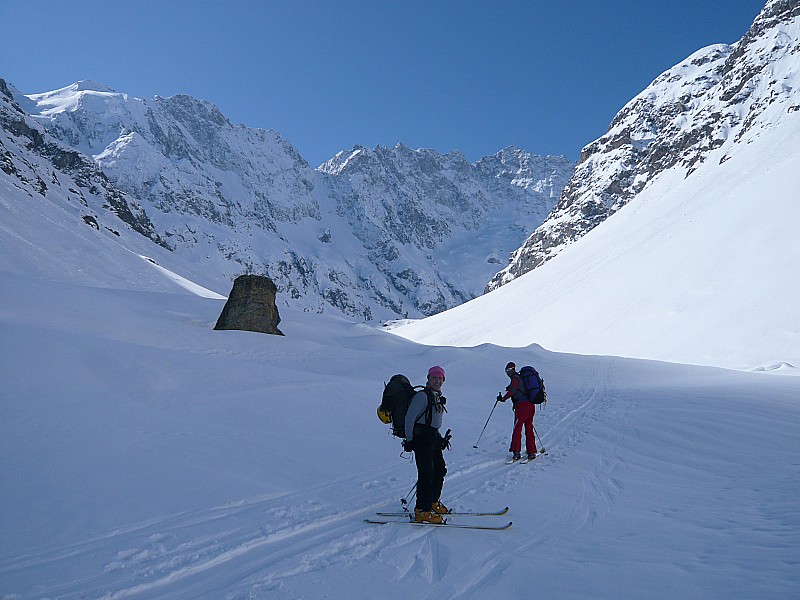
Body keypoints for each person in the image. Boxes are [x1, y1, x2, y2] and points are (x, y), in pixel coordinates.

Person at [403, 365, 449, 523]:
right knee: (426, 474)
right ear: (428, 379)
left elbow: (434, 421)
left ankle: (432, 502)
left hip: (433, 438)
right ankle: (422, 510)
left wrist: (440, 438)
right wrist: (409, 440)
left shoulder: (436, 395)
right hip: (421, 439)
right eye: (434, 378)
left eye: (440, 378)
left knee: (440, 470)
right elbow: (409, 418)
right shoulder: (422, 396)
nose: (437, 380)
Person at [498, 361, 538, 461]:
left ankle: (516, 452)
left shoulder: (515, 378)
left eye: (508, 370)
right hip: (531, 406)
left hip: (522, 407)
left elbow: (512, 391)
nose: (507, 373)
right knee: (529, 428)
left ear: (513, 369)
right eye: (506, 371)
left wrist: (503, 398)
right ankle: (531, 452)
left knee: (517, 428)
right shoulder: (521, 378)